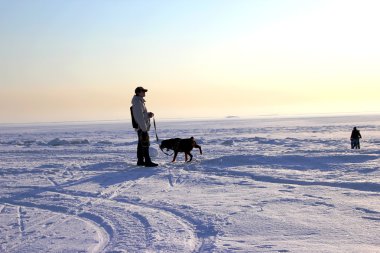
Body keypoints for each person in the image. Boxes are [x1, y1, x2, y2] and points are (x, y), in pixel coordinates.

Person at [131, 86, 158, 167]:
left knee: (141, 144)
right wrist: (144, 129)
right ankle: (147, 161)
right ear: (139, 92)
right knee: (145, 144)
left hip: (141, 127)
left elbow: (142, 115)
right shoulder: (137, 102)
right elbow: (139, 117)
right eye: (143, 91)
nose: (144, 93)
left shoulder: (139, 101)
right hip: (141, 127)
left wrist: (148, 115)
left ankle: (140, 161)